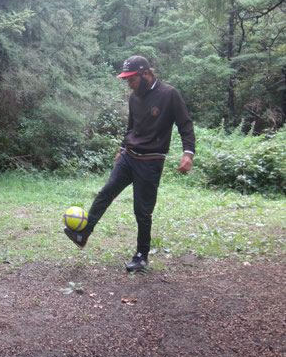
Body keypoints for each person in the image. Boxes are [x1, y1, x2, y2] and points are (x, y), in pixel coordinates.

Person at [64, 55, 195, 272]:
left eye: (131, 79)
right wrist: (122, 149)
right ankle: (82, 235)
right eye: (126, 80)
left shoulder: (169, 94)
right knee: (106, 192)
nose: (129, 84)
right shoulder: (134, 97)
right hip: (129, 156)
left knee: (142, 211)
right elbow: (132, 127)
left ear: (145, 74)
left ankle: (141, 255)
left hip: (151, 161)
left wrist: (188, 153)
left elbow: (185, 124)